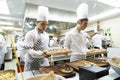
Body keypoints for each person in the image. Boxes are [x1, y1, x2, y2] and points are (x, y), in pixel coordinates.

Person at [24, 6, 50, 71]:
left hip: (44, 62)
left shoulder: (46, 35)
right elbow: (28, 50)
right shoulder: (31, 34)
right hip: (33, 62)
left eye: (46, 24)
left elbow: (47, 48)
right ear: (36, 22)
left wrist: (51, 58)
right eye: (42, 24)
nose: (45, 26)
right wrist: (41, 53)